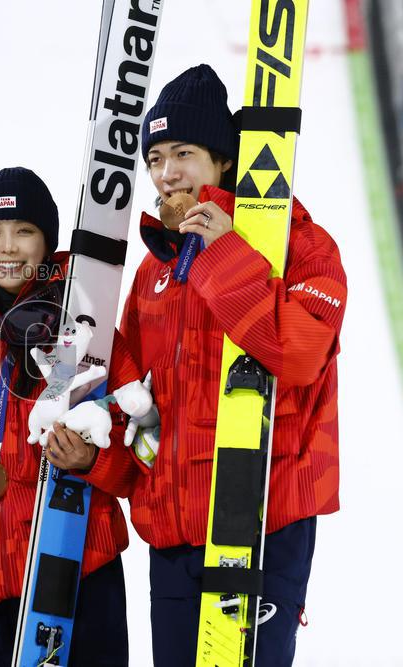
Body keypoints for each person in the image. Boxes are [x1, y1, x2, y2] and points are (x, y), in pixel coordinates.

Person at [103, 64, 346, 665]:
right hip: (175, 531)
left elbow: (297, 354)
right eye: (154, 156)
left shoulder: (302, 246)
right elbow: (137, 413)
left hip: (267, 520)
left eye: (182, 152)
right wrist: (100, 459)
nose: (166, 173)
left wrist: (226, 255)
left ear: (223, 161)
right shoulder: (152, 274)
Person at [0, 167, 137, 666]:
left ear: (48, 243)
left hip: (76, 564)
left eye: (25, 231)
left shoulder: (88, 325)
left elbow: (141, 453)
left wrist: (91, 462)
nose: (8, 247)